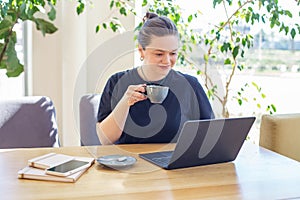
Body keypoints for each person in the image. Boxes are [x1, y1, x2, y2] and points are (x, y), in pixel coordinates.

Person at [96, 12, 214, 145]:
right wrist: (125, 102)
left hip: (175, 163)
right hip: (128, 163)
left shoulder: (190, 85)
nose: (167, 61)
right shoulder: (116, 82)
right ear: (141, 51)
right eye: (159, 54)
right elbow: (105, 140)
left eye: (173, 53)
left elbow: (210, 133)